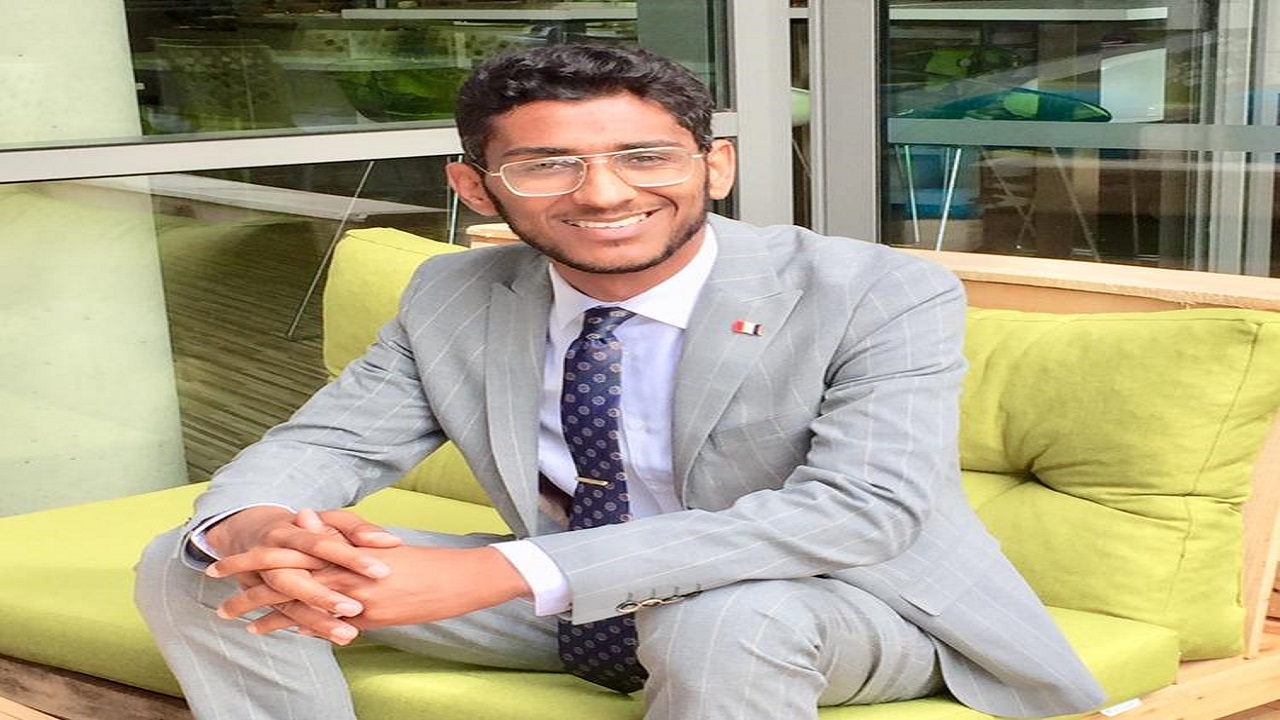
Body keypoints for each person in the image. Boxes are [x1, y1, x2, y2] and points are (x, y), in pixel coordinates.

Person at [135, 44, 1105, 720]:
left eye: (644, 157)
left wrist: (501, 571)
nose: (603, 193)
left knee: (723, 621)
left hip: (832, 607)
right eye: (545, 165)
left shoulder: (873, 292)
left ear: (714, 167)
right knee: (198, 563)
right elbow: (331, 442)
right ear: (476, 187)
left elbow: (859, 513)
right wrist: (257, 526)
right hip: (581, 601)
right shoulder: (453, 292)